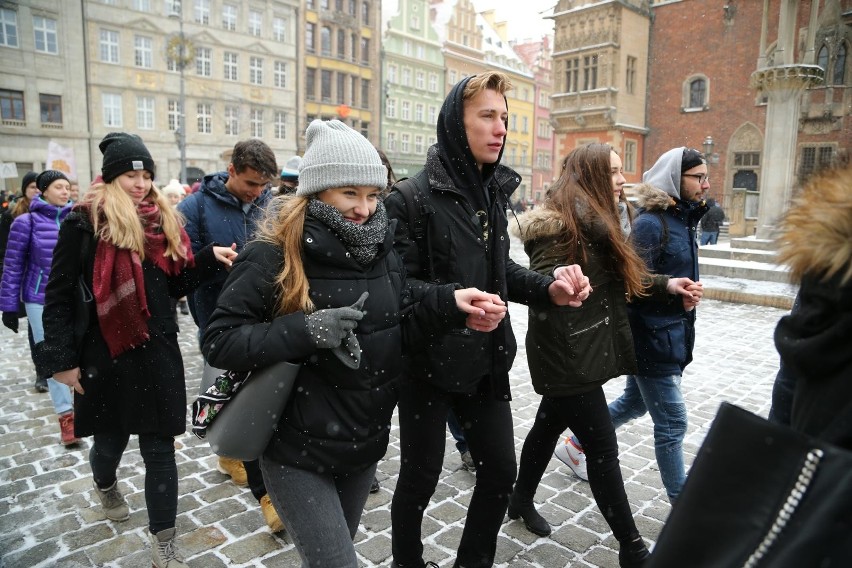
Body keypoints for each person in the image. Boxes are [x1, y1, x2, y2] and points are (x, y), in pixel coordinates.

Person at [201, 119, 495, 565]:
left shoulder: (382, 249)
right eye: (349, 193)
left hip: (362, 446)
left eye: (373, 194)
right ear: (318, 191)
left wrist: (453, 308)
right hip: (295, 451)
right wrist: (307, 330)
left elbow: (397, 327)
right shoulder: (273, 253)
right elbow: (220, 341)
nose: (364, 208)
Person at [384, 71, 592, 568]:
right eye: (486, 117)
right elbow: (393, 291)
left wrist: (549, 288)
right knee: (419, 478)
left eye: (504, 117)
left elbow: (501, 274)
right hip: (427, 365)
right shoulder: (410, 199)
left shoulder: (493, 193)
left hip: (485, 360)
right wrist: (452, 302)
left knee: (500, 473)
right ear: (457, 123)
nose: (500, 128)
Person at [35, 132, 236, 568]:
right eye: (131, 175)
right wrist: (60, 362)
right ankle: (104, 484)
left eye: (146, 175)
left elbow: (171, 287)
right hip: (105, 350)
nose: (141, 183)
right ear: (111, 178)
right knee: (109, 442)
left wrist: (203, 259)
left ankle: (164, 541)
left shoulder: (162, 221)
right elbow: (59, 295)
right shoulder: (83, 222)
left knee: (160, 449)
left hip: (158, 349)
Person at [509, 144, 701, 566]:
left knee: (546, 427)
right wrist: (557, 279)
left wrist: (668, 286)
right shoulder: (560, 225)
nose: (620, 179)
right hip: (567, 355)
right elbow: (539, 280)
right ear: (592, 176)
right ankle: (632, 547)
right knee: (602, 450)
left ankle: (519, 500)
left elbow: (624, 278)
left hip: (583, 348)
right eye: (612, 172)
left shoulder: (599, 221)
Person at [176, 139, 281, 530]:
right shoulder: (193, 207)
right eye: (252, 183)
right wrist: (210, 260)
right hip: (217, 319)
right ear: (232, 170)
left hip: (262, 318)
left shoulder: (269, 204)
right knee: (228, 391)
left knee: (255, 397)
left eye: (263, 185)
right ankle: (232, 454)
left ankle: (262, 488)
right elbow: (178, 269)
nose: (258, 192)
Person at [605, 147, 708, 503]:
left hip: (672, 332)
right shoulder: (651, 224)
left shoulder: (682, 220)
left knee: (635, 403)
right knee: (673, 422)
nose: (706, 185)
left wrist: (685, 292)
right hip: (650, 335)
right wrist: (670, 288)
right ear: (674, 178)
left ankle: (578, 438)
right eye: (699, 177)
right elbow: (632, 282)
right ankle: (682, 504)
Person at [0, 170, 77, 444]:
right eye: (59, 186)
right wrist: (9, 307)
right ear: (43, 190)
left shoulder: (77, 219)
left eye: (68, 187)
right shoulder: (25, 222)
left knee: (80, 351)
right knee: (53, 355)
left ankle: (84, 407)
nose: (65, 191)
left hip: (73, 298)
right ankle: (66, 417)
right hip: (39, 298)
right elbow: (12, 267)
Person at [0, 171, 50, 393]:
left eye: (40, 186)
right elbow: (7, 254)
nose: (36, 190)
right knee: (36, 329)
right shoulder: (13, 216)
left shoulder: (55, 214)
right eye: (32, 186)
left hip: (49, 280)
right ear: (24, 190)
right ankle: (42, 370)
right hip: (28, 283)